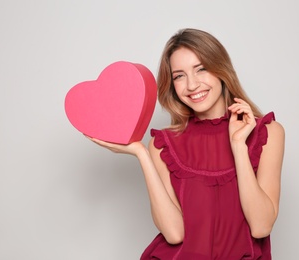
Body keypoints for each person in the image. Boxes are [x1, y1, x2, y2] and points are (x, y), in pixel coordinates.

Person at [88, 28, 285, 260]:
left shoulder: (268, 133)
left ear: (221, 69)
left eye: (201, 69)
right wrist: (141, 153)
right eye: (179, 76)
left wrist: (239, 146)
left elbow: (261, 226)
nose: (192, 85)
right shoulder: (163, 145)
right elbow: (173, 234)